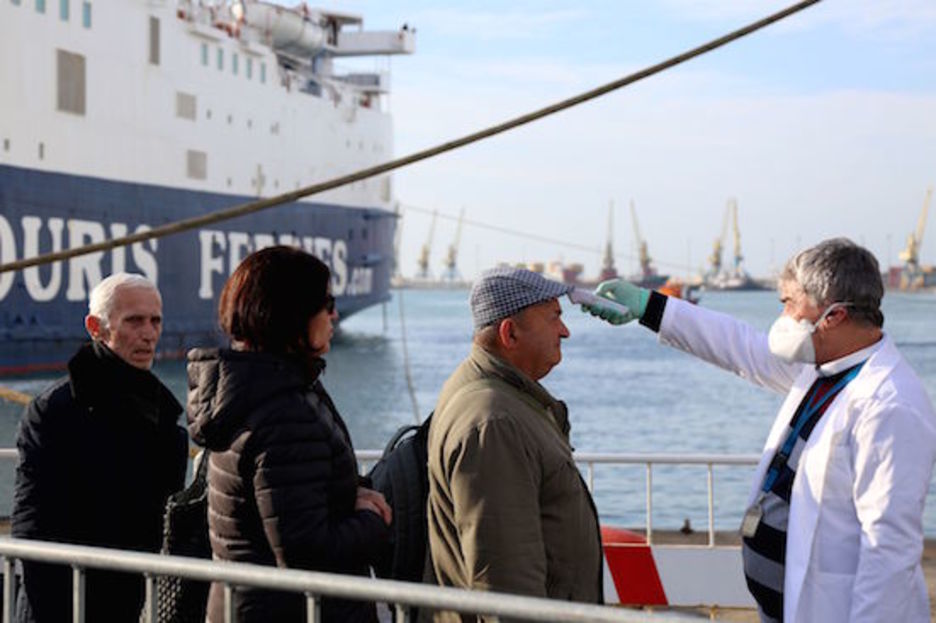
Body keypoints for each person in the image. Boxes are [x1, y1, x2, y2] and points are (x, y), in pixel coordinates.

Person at [583, 238, 936, 623]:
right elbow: (740, 347)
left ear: (833, 315)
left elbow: (889, 550)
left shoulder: (889, 405)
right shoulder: (825, 368)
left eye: (789, 303)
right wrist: (650, 307)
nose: (783, 317)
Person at [186, 246, 391, 623]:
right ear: (293, 315)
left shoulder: (248, 395)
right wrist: (373, 520)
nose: (334, 315)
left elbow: (281, 505)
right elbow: (305, 551)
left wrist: (349, 494)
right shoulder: (284, 415)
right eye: (326, 304)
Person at [425, 267, 603, 621]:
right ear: (510, 333)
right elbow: (506, 585)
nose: (565, 331)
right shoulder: (494, 424)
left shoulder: (500, 398)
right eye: (554, 317)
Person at [12, 273, 188, 622]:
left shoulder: (165, 420)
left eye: (155, 321)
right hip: (61, 605)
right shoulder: (55, 412)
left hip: (128, 602)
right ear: (96, 327)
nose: (149, 334)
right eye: (134, 321)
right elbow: (33, 528)